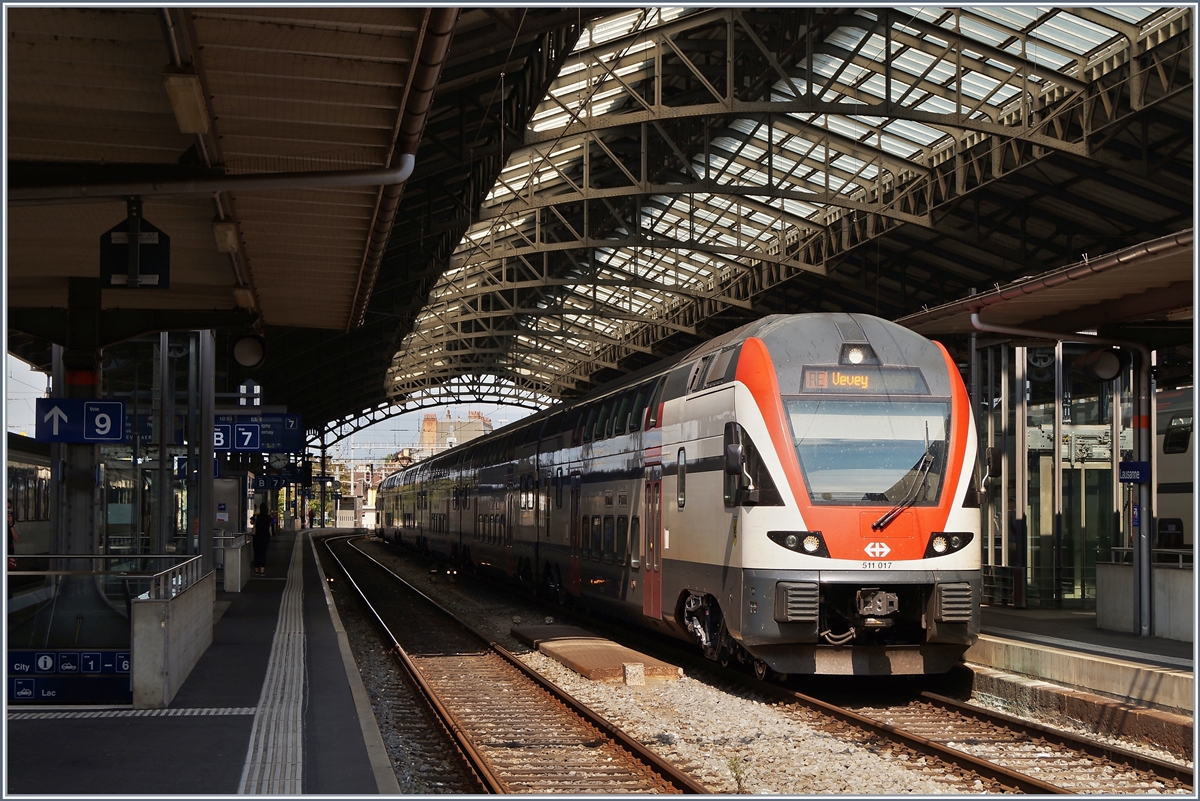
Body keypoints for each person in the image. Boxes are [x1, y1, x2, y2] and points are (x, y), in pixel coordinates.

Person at [252, 503, 273, 576]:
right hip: (265, 537)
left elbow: (252, 523)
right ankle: (262, 571)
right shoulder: (268, 518)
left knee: (256, 553)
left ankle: (256, 570)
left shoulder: (257, 517)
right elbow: (270, 525)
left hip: (257, 537)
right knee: (263, 553)